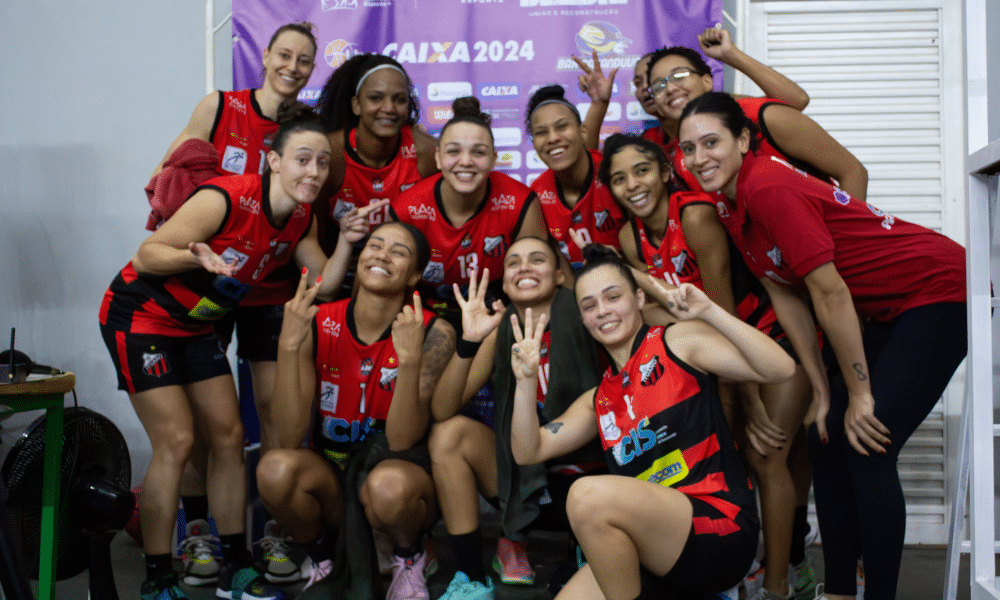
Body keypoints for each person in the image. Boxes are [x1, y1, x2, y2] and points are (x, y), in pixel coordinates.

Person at [677, 92, 967, 600]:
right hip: (890, 308)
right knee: (824, 436)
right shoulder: (729, 202)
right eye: (688, 148)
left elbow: (830, 294)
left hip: (940, 289)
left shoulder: (767, 187)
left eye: (711, 143)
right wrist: (822, 389)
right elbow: (784, 293)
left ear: (743, 140)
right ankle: (838, 591)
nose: (699, 158)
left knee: (867, 440)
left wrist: (861, 395)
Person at [101, 118, 337, 600]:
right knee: (178, 441)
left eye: (322, 162)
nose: (313, 171)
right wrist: (196, 257)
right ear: (274, 161)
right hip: (141, 317)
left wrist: (350, 239)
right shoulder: (227, 197)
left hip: (196, 326)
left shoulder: (301, 217)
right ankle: (158, 576)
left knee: (230, 437)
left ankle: (236, 565)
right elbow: (147, 256)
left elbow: (323, 282)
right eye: (302, 160)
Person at [509, 246, 795, 600]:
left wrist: (710, 312)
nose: (602, 311)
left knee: (585, 496)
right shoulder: (598, 399)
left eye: (613, 297)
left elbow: (781, 368)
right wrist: (525, 382)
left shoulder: (678, 342)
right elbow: (528, 451)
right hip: (654, 546)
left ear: (639, 299)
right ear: (583, 319)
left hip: (719, 526)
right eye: (589, 305)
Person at [600, 132, 816, 600]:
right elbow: (657, 314)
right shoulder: (628, 237)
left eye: (641, 170)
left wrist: (750, 401)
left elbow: (723, 313)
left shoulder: (695, 216)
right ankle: (759, 566)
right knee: (731, 457)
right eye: (618, 179)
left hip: (763, 338)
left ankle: (779, 586)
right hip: (711, 354)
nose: (632, 185)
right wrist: (638, 279)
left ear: (665, 171)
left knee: (765, 456)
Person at [148, 22, 323, 587]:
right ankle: (198, 531)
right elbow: (166, 178)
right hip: (211, 283)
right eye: (284, 55)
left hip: (270, 289)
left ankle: (275, 528)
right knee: (205, 420)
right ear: (264, 56)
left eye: (304, 60)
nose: (292, 67)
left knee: (275, 412)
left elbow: (307, 220)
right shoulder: (220, 106)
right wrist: (196, 233)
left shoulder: (307, 128)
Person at [256, 222, 456, 600]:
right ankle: (323, 560)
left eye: (398, 251)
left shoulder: (434, 332)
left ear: (414, 276)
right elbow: (287, 435)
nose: (382, 255)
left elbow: (401, 440)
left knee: (388, 486)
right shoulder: (317, 321)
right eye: (374, 245)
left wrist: (409, 359)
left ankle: (408, 558)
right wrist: (288, 344)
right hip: (333, 485)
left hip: (396, 487)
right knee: (274, 469)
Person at [428, 237, 607, 598]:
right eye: (513, 262)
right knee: (448, 434)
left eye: (537, 259)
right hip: (523, 483)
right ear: (506, 284)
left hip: (594, 479)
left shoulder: (590, 313)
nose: (524, 267)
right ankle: (471, 580)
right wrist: (470, 340)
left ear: (560, 275)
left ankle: (585, 548)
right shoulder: (503, 329)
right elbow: (442, 410)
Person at [645, 30, 868, 201]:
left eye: (679, 76)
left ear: (707, 81)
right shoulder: (687, 156)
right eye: (658, 86)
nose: (670, 88)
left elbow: (853, 172)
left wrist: (730, 54)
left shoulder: (761, 116)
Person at [391, 96, 549, 327]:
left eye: (478, 152)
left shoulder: (520, 202)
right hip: (427, 317)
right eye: (453, 151)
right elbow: (391, 288)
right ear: (438, 158)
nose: (465, 161)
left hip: (501, 316)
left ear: (493, 160)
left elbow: (536, 285)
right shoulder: (407, 208)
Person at [313, 53, 439, 256]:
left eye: (399, 100)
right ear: (356, 105)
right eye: (376, 98)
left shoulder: (428, 153)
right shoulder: (329, 153)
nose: (389, 108)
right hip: (338, 263)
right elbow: (316, 235)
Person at [526, 85, 628, 271]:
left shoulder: (614, 172)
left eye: (562, 126)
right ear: (533, 143)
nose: (552, 138)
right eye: (541, 132)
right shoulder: (537, 194)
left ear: (582, 131)